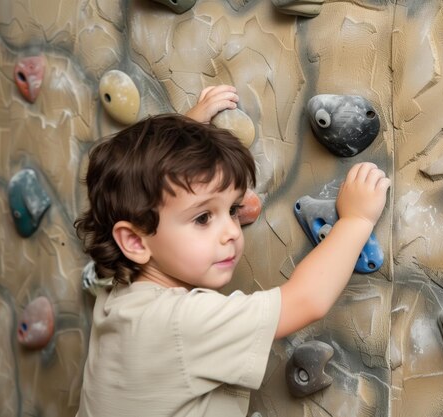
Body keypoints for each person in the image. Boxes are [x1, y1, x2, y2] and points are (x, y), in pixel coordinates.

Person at [74, 84, 391, 417]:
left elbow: (132, 197)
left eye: (233, 209)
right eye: (202, 218)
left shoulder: (118, 289)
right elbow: (305, 300)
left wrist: (187, 135)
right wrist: (356, 219)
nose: (230, 231)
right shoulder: (181, 323)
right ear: (136, 242)